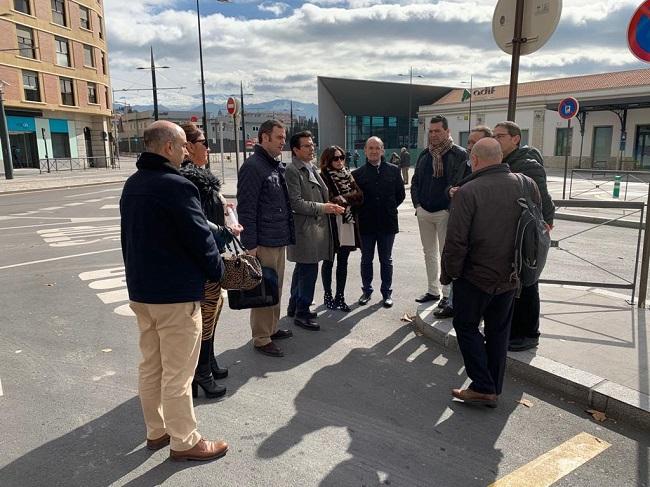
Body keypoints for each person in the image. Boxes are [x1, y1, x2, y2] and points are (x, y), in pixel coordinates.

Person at [120, 120, 228, 461]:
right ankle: (184, 440)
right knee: (179, 372)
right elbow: (200, 239)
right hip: (175, 294)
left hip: (142, 292)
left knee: (151, 365)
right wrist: (219, 272)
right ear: (168, 147)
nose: (185, 151)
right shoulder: (176, 186)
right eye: (182, 145)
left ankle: (157, 431)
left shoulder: (132, 184)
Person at [441, 137, 542, 407]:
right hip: (512, 275)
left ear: (474, 160)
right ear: (500, 157)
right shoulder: (526, 183)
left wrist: (448, 274)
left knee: (465, 326)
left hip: (475, 276)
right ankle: (493, 387)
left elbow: (456, 241)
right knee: (498, 331)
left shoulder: (467, 191)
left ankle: (484, 386)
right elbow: (536, 225)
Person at [179, 122, 243, 400]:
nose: (209, 147)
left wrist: (225, 210)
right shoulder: (189, 179)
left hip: (211, 254)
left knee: (212, 312)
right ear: (189, 147)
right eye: (204, 142)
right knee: (205, 316)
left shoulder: (200, 177)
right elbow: (196, 223)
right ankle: (200, 372)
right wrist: (223, 228)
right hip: (203, 260)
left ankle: (208, 363)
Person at [493, 121, 554, 352]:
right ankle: (513, 329)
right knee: (514, 282)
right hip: (509, 231)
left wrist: (545, 226)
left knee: (528, 282)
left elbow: (543, 200)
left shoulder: (527, 164)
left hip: (527, 233)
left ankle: (529, 334)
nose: (496, 139)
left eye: (500, 136)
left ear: (515, 138)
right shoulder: (504, 162)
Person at [237, 120, 295, 358]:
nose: (283, 142)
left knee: (275, 287)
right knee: (264, 289)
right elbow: (247, 209)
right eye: (279, 137)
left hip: (276, 238)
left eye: (284, 137)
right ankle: (261, 337)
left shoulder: (272, 165)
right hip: (262, 242)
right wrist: (250, 245)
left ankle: (270, 328)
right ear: (264, 138)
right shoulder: (253, 167)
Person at [285, 131, 344, 331]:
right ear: (295, 150)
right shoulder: (293, 170)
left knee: (302, 270)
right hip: (305, 231)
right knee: (308, 272)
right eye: (307, 146)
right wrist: (324, 208)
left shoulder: (309, 167)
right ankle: (302, 312)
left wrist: (331, 205)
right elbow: (296, 203)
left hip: (312, 231)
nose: (312, 148)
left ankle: (295, 307)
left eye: (312, 144)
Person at [435, 125, 493, 320]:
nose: (469, 146)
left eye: (474, 142)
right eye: (468, 142)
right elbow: (451, 184)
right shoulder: (464, 162)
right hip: (459, 219)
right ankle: (452, 302)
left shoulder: (492, 170)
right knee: (455, 260)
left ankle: (474, 310)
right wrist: (450, 191)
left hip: (478, 226)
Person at [411, 115, 468, 314]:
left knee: (446, 255)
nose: (434, 134)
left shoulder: (459, 154)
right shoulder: (425, 154)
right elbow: (416, 181)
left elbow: (461, 183)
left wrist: (448, 208)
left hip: (445, 212)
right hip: (424, 211)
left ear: (447, 132)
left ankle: (447, 295)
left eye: (438, 131)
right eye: (431, 131)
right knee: (429, 254)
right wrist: (417, 205)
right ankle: (432, 290)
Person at [352, 136, 406, 308]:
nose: (374, 151)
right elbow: (355, 200)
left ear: (383, 150)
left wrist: (387, 208)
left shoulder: (394, 170)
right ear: (365, 151)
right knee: (366, 259)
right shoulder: (357, 175)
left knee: (386, 259)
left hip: (387, 223)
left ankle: (386, 293)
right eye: (370, 148)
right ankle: (366, 291)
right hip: (366, 224)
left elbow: (400, 195)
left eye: (377, 148)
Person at [319, 146, 364, 312]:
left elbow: (360, 196)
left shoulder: (348, 175)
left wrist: (343, 198)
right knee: (329, 261)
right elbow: (328, 199)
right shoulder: (323, 176)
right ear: (328, 160)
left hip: (347, 222)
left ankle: (340, 296)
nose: (339, 161)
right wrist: (343, 199)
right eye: (335, 158)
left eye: (341, 157)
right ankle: (328, 295)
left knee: (343, 262)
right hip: (331, 223)